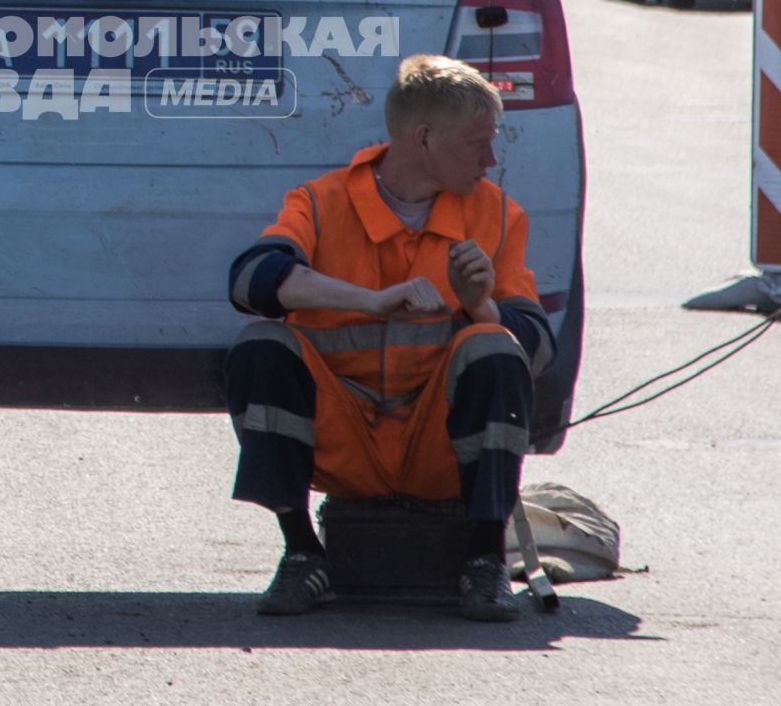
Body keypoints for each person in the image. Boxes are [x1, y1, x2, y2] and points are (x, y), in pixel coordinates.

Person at [223, 54, 555, 622]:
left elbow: (539, 350)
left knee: (496, 347)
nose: (491, 158)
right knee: (261, 345)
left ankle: (484, 561)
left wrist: (481, 305)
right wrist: (370, 302)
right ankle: (303, 552)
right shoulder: (323, 203)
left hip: (438, 449)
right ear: (423, 137)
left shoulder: (497, 215)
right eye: (478, 142)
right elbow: (250, 282)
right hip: (341, 445)